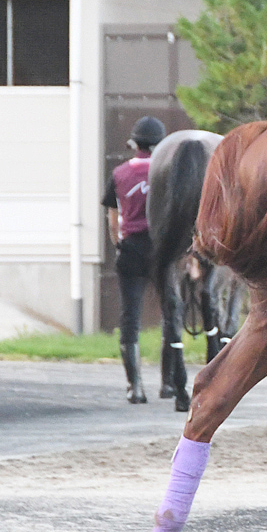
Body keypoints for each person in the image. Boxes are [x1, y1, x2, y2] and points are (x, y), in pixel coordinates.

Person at [102, 115, 165, 403]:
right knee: (172, 312)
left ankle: (135, 386)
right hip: (163, 249)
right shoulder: (166, 172)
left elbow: (113, 219)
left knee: (130, 317)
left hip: (132, 248)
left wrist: (119, 244)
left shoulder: (119, 174)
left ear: (134, 143)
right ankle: (171, 383)